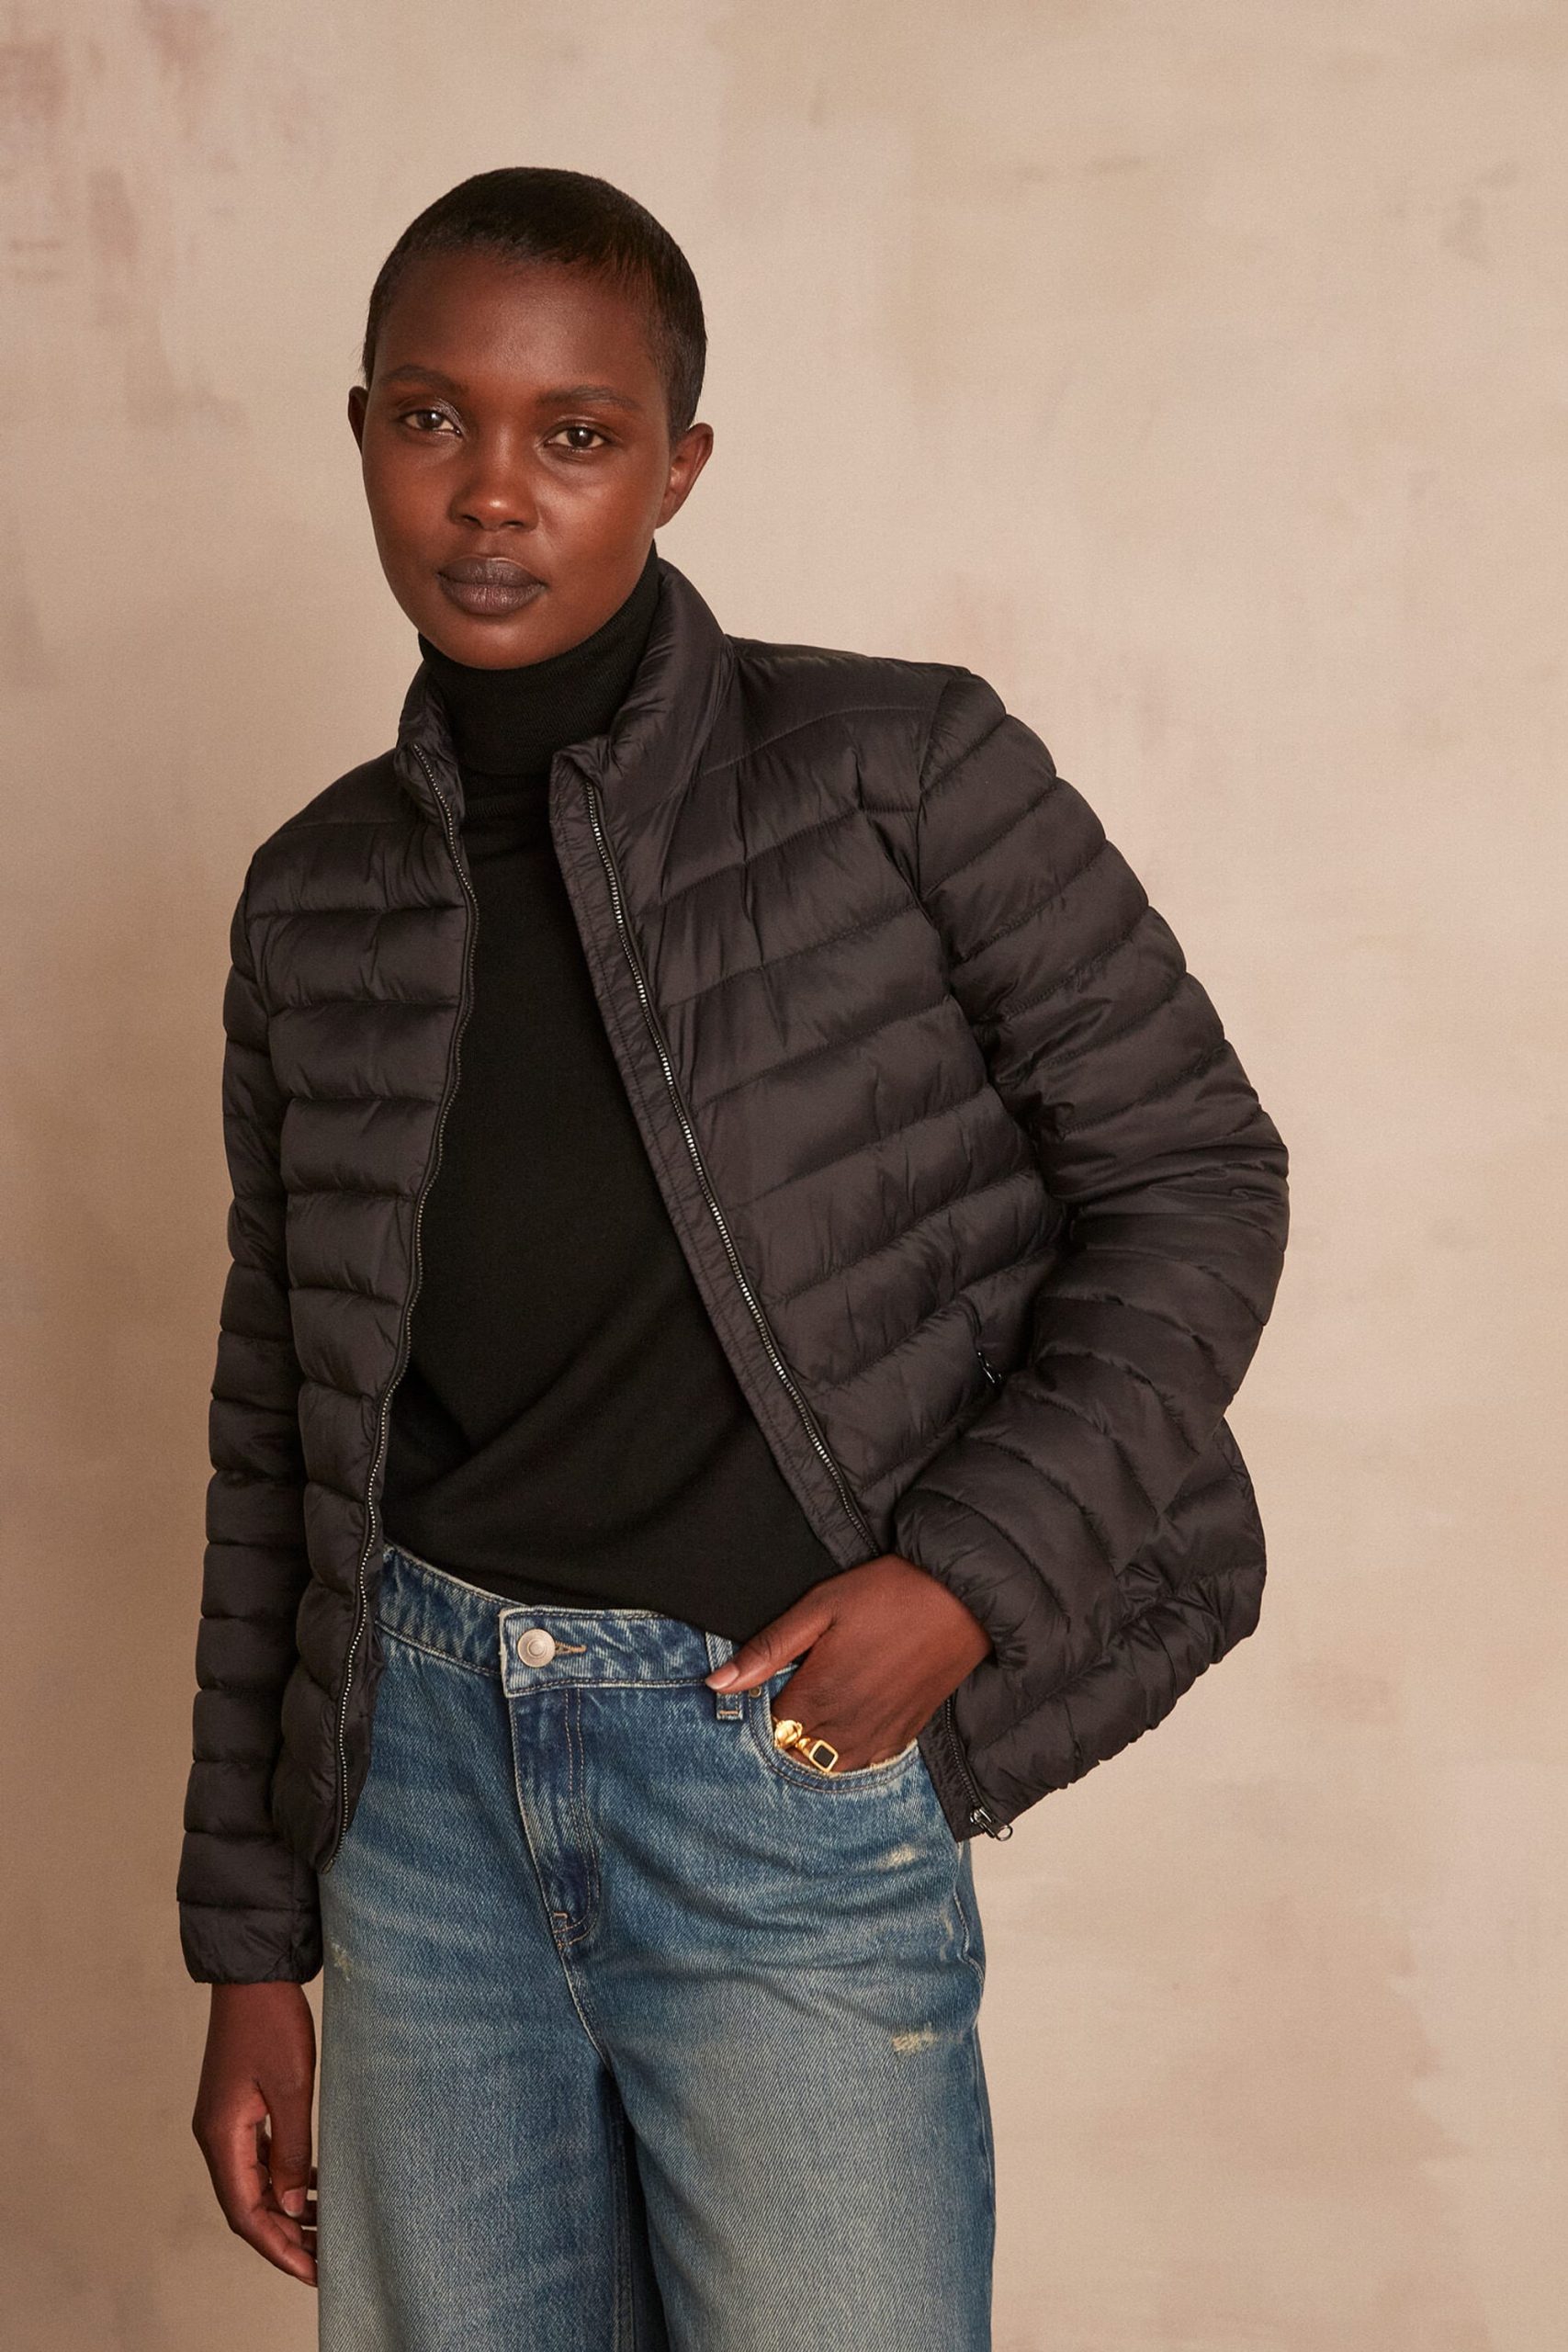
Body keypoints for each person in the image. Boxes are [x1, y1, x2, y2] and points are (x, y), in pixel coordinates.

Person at [180, 166, 1290, 2351]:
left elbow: (1193, 1178)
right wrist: (248, 1943)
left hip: (767, 1769)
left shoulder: (898, 769)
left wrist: (961, 1577)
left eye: (576, 432)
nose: (491, 491)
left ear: (676, 464)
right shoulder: (311, 897)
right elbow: (273, 1437)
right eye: (431, 416)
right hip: (416, 1795)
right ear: (364, 430)